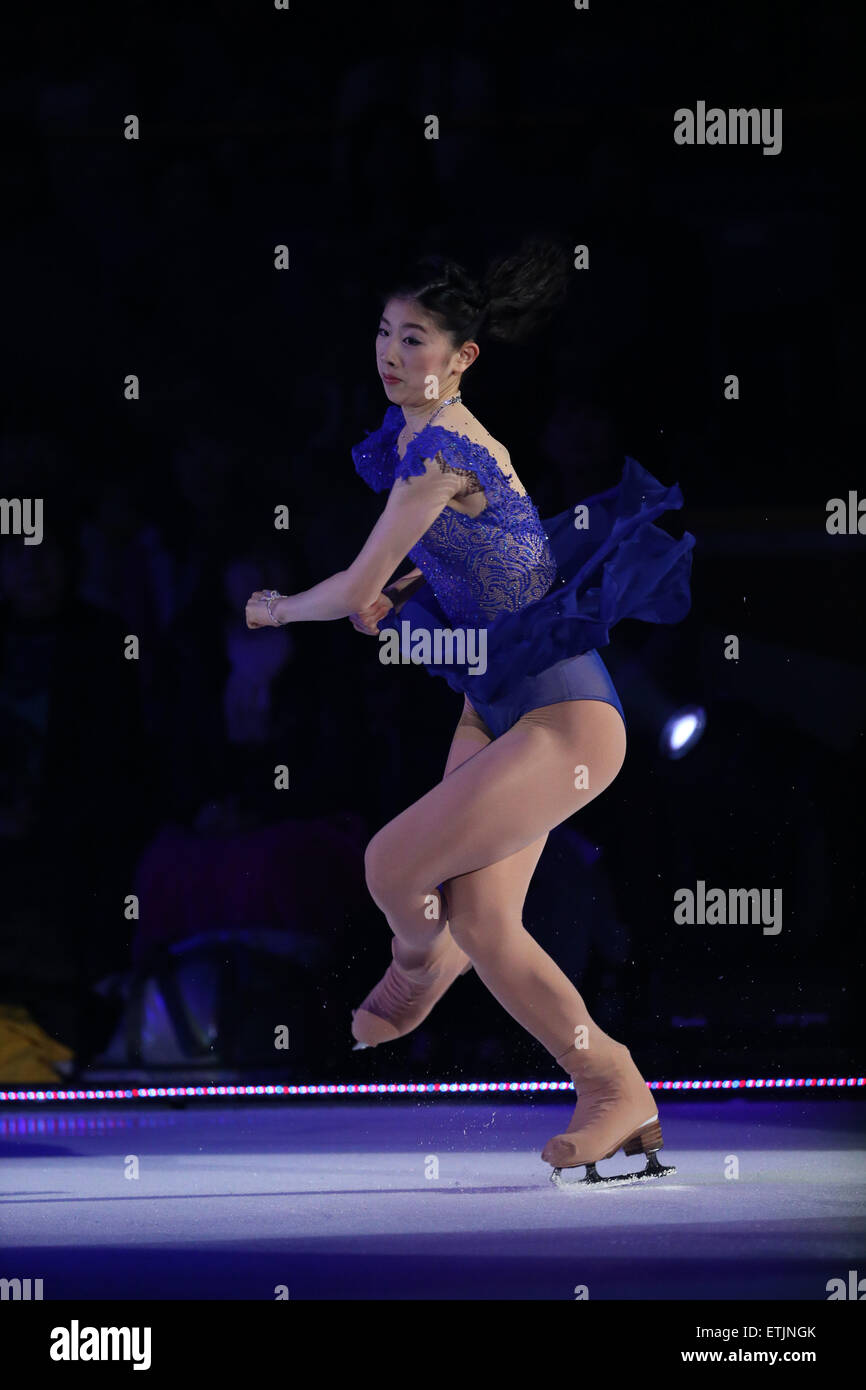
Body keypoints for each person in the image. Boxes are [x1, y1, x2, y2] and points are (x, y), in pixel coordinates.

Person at [245, 240, 695, 1183]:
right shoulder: (415, 441)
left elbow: (357, 582)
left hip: (567, 719)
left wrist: (280, 607)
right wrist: (405, 596)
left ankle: (420, 965)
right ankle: (612, 1085)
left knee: (391, 865)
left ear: (461, 358)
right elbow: (481, 569)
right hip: (496, 707)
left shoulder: (441, 453)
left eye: (415, 338)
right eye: (383, 332)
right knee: (487, 922)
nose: (392, 352)